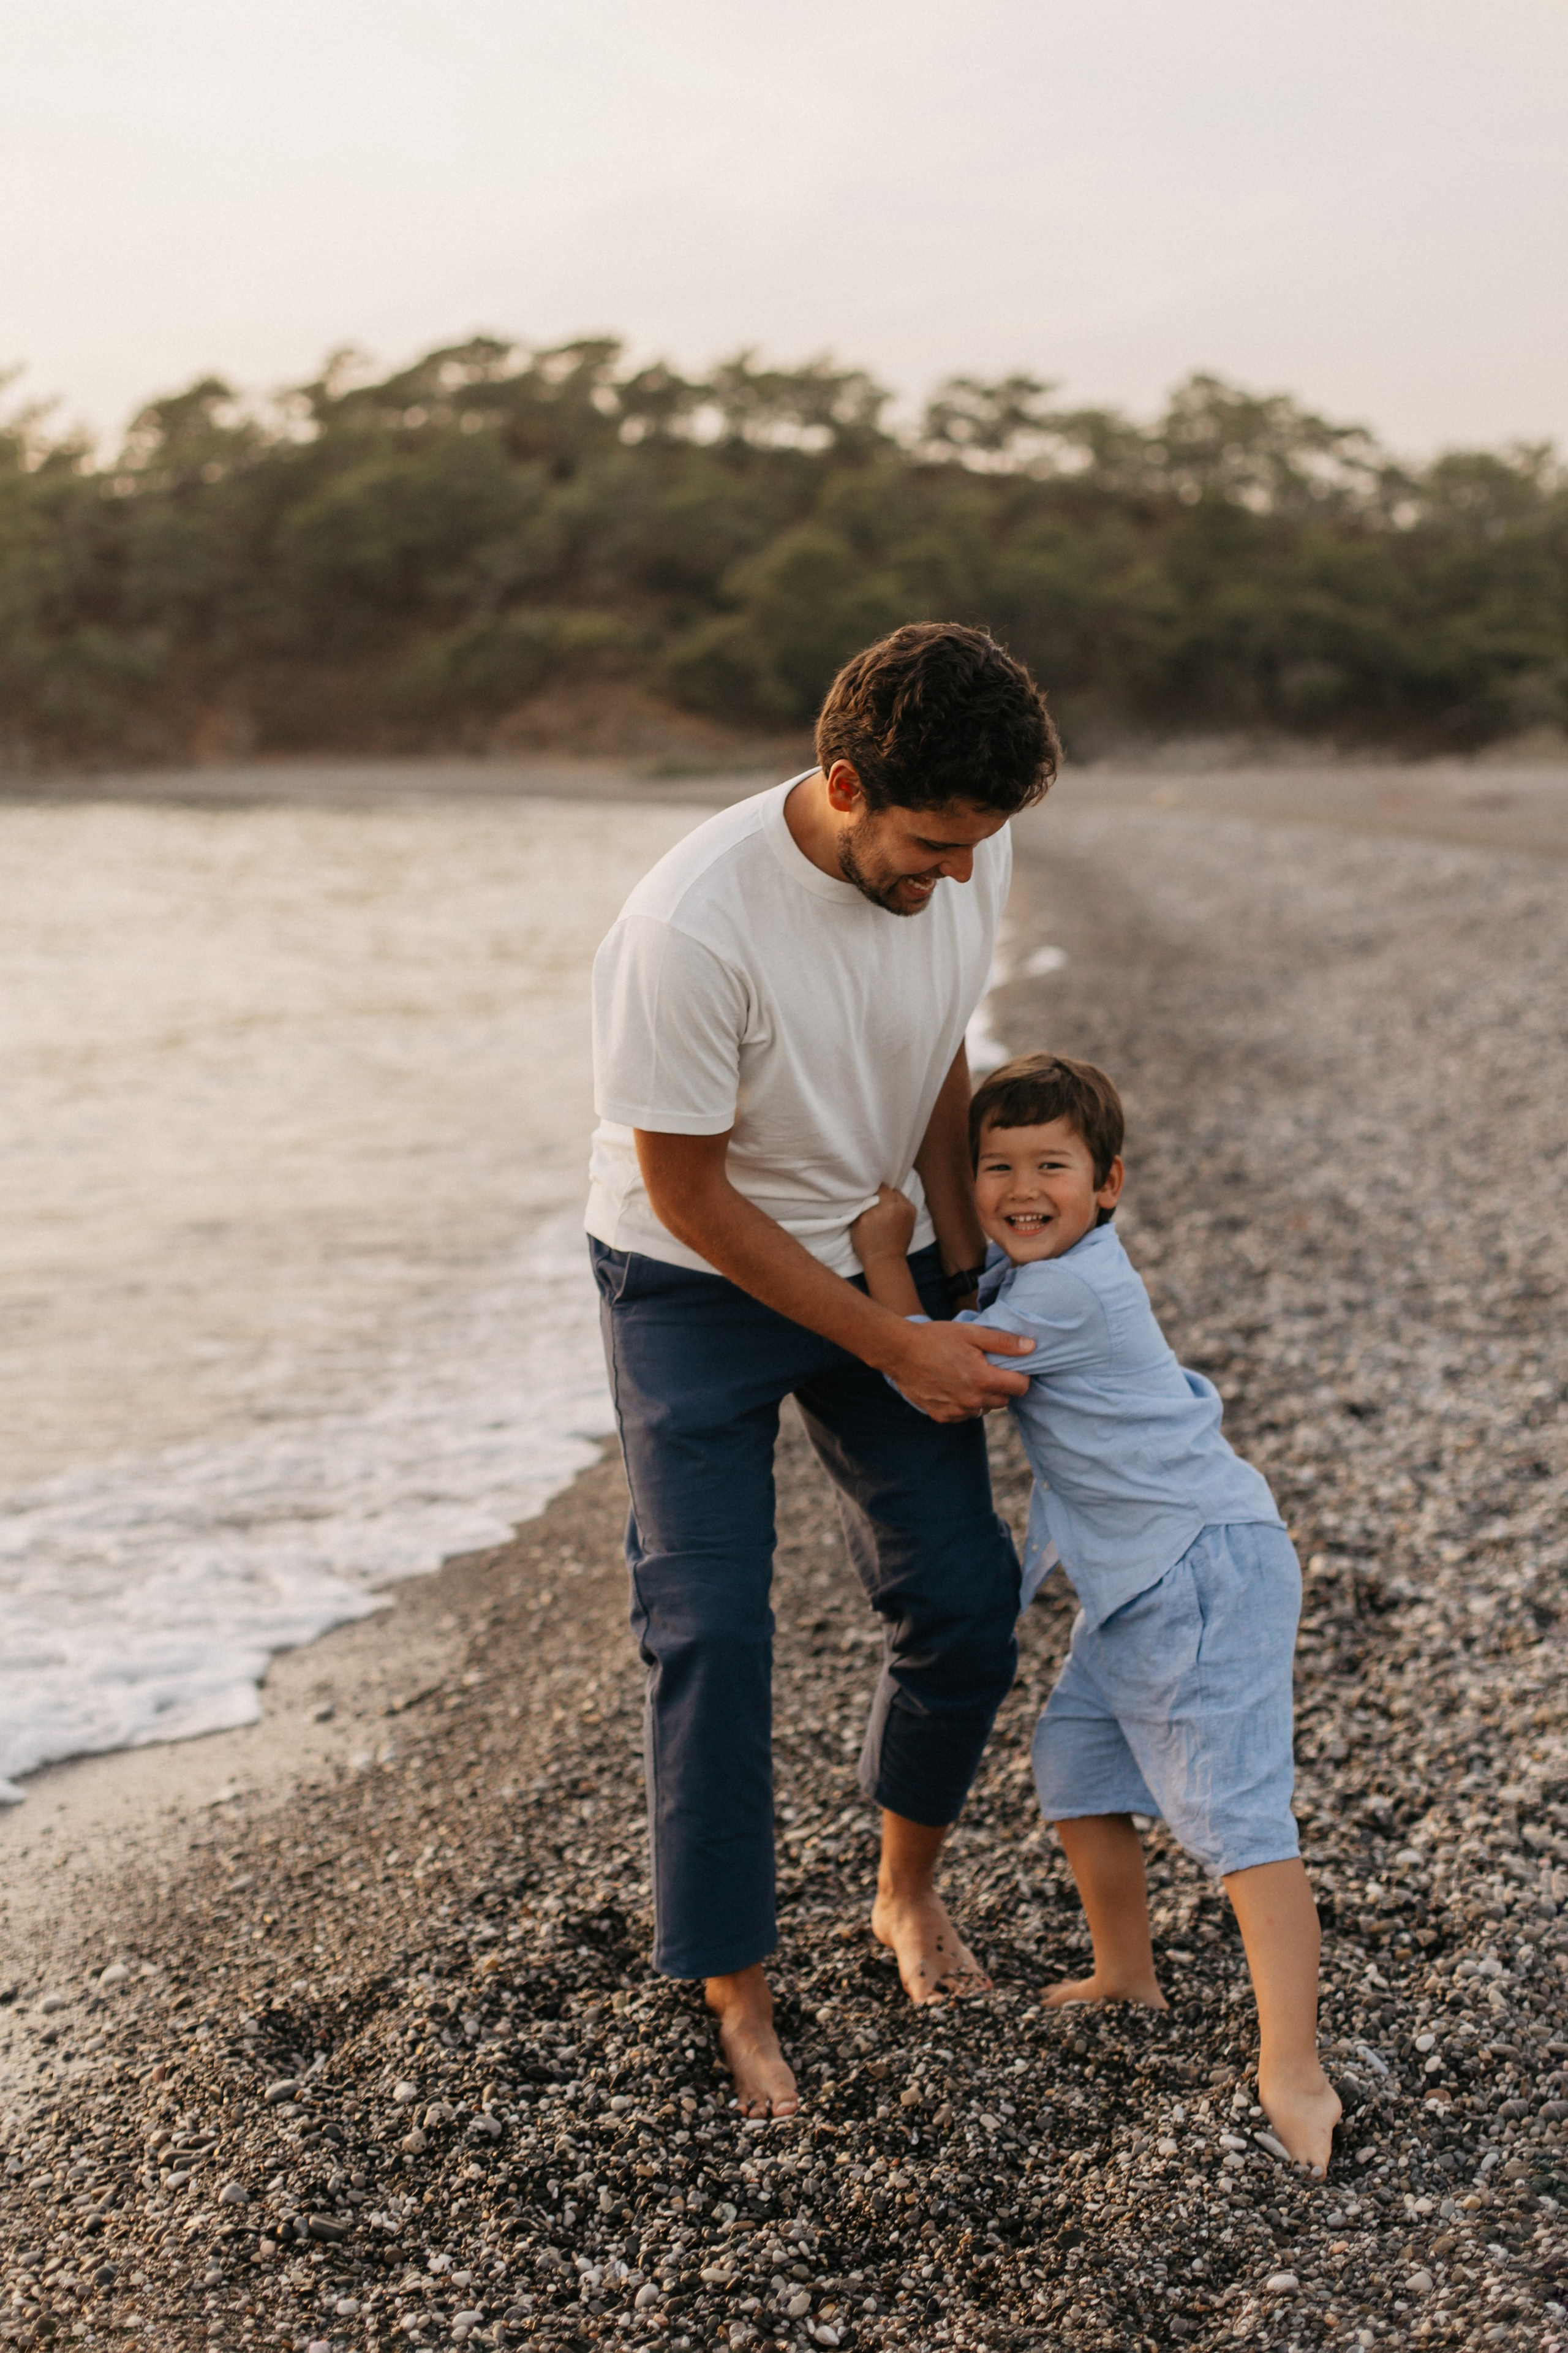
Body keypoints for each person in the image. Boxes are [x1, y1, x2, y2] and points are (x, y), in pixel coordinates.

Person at [586, 622, 1058, 2117]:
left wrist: (961, 1266)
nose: (958, 878)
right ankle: (733, 1986)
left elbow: (933, 1048)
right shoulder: (690, 928)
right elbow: (688, 1196)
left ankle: (903, 1891)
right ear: (845, 786)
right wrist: (894, 1341)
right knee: (711, 1626)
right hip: (691, 1283)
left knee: (965, 1600)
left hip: (879, 1250)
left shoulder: (963, 851)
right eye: (930, 846)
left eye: (978, 845)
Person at [850, 1051, 1341, 2174]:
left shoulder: (1069, 1293)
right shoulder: (1042, 1273)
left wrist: (881, 1257)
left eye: (1052, 1167)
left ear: (1108, 1183)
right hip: (1141, 1578)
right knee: (1076, 1762)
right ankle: (1126, 1971)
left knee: (1239, 1820)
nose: (1023, 1188)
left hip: (1199, 1571)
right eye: (996, 1166)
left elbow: (936, 1378)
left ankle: (1294, 2067)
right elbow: (976, 1307)